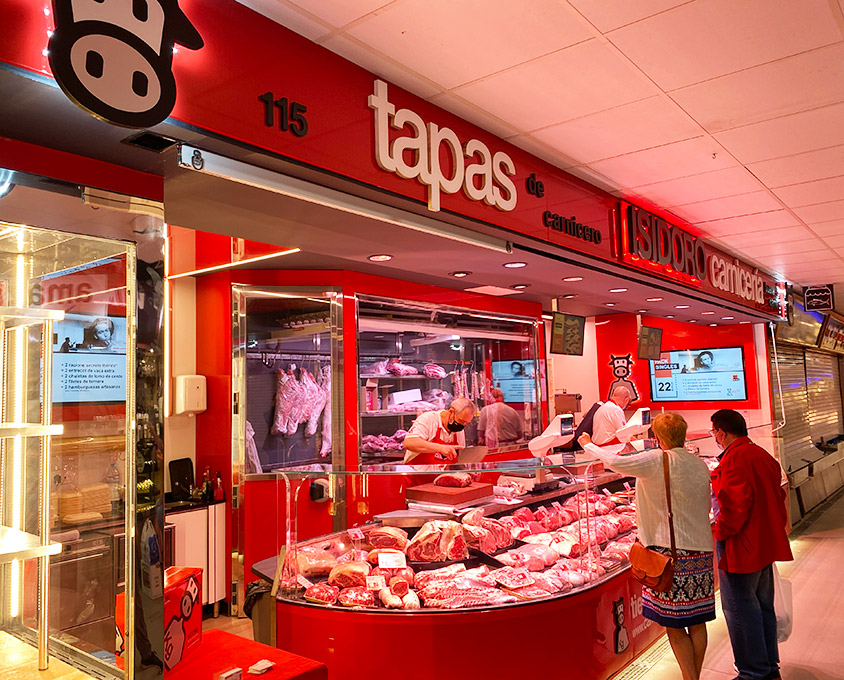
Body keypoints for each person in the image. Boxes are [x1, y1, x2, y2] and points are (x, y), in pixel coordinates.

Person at [579, 412, 715, 680]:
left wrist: (587, 444)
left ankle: (691, 678)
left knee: (674, 624)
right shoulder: (696, 463)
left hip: (669, 554)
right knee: (697, 620)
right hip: (701, 550)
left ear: (657, 436)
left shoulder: (657, 460)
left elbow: (614, 462)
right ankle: (694, 677)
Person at [709, 409, 793, 680]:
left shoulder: (735, 459)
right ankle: (769, 668)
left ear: (721, 432)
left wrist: (719, 532)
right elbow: (780, 493)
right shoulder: (761, 454)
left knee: (740, 609)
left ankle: (752, 673)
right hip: (764, 542)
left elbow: (733, 507)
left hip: (742, 545)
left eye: (714, 432)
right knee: (761, 605)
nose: (714, 437)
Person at [403, 397, 477, 466]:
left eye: (466, 422)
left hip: (442, 478)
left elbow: (459, 461)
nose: (463, 425)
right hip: (415, 477)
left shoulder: (458, 429)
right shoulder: (428, 419)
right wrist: (440, 448)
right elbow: (409, 443)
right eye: (461, 420)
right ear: (451, 412)